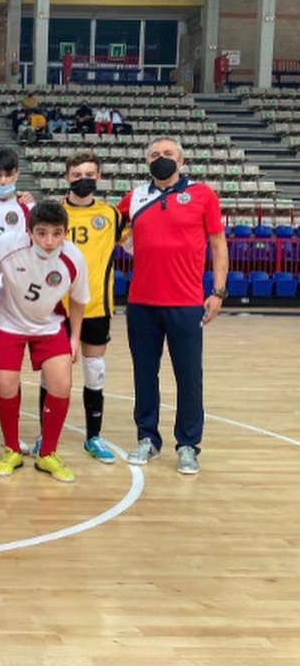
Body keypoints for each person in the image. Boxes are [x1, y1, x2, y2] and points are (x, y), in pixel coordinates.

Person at [117, 137, 229, 476]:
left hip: (186, 303)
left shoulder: (203, 195)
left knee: (189, 376)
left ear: (181, 161)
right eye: (154, 155)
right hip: (141, 304)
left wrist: (219, 291)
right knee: (144, 374)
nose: (161, 159)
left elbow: (218, 243)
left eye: (168, 154)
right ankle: (148, 438)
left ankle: (188, 445)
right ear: (146, 162)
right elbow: (105, 226)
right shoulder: (134, 198)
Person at [0, 200, 91, 482]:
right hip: (8, 323)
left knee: (62, 384)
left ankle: (47, 453)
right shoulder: (7, 245)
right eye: (42, 233)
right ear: (29, 231)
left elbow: (80, 301)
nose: (49, 241)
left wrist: (75, 337)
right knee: (6, 385)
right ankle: (12, 449)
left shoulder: (74, 258)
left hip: (50, 324)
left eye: (57, 233)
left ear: (66, 233)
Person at [43, 150, 126, 464]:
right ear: (67, 177)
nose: (83, 180)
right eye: (77, 175)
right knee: (50, 376)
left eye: (89, 174)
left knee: (95, 373)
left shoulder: (112, 216)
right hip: (54, 307)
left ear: (99, 176)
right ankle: (45, 436)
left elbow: (137, 241)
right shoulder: (51, 213)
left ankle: (94, 436)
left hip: (96, 307)